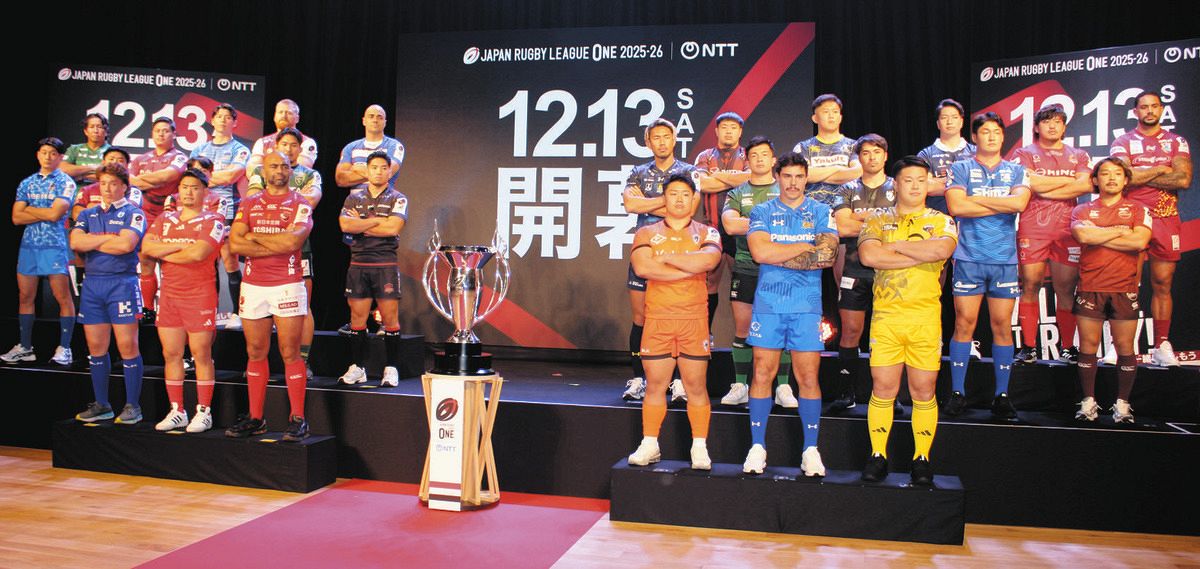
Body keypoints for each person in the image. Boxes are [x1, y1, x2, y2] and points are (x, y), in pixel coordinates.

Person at [858, 156, 958, 485]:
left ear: (928, 184)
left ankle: (921, 459)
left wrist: (896, 248)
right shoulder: (877, 219)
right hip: (887, 318)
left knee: (923, 390)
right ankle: (878, 455)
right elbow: (869, 256)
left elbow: (940, 252)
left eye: (921, 180)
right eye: (908, 180)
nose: (915, 186)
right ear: (895, 184)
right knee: (883, 388)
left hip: (925, 317)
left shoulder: (941, 220)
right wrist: (917, 250)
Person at [742, 152, 838, 477]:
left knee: (808, 377)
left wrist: (779, 253)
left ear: (806, 178)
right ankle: (757, 447)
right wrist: (804, 247)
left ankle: (811, 450)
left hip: (807, 306)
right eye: (787, 176)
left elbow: (827, 256)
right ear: (777, 177)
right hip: (769, 305)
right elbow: (760, 252)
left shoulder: (821, 211)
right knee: (762, 373)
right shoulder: (762, 211)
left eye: (799, 176)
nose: (793, 183)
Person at [625, 174, 722, 470]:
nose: (679, 199)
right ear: (664, 199)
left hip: (694, 319)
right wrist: (689, 266)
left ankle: (699, 447)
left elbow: (708, 262)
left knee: (695, 386)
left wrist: (665, 260)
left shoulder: (707, 232)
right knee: (655, 385)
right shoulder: (646, 232)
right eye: (673, 194)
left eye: (685, 194)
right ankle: (650, 444)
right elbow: (643, 267)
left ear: (693, 200)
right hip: (658, 319)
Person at [944, 112, 1031, 420]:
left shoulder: (1017, 170)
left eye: (997, 132)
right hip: (969, 258)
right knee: (964, 324)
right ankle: (957, 393)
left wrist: (976, 200)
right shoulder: (961, 167)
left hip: (1004, 260)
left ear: (1003, 137)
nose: (991, 136)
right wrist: (1001, 203)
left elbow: (1019, 204)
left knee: (1002, 326)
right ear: (975, 137)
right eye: (985, 132)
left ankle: (1002, 396)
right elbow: (956, 206)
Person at [226, 151, 314, 441]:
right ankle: (256, 418)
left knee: (290, 352)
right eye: (273, 166)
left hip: (287, 283)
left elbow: (293, 241)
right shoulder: (250, 202)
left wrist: (254, 237)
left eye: (284, 166)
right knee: (255, 351)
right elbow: (235, 244)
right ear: (263, 171)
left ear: (291, 171)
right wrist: (275, 242)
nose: (279, 170)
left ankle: (298, 418)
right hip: (253, 285)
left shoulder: (300, 203)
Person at [620, 118, 703, 403]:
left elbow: (689, 208)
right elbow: (631, 204)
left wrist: (650, 201)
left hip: (680, 250)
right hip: (646, 250)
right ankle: (638, 379)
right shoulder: (638, 172)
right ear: (648, 142)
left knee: (676, 316)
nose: (662, 142)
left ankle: (678, 381)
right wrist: (668, 200)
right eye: (656, 137)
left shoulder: (689, 171)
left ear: (674, 139)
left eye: (666, 136)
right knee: (640, 317)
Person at [1109, 91, 1193, 366]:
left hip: (1166, 218)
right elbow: (1125, 178)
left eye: (1154, 106)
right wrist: (1161, 169)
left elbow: (1183, 180)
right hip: (1132, 217)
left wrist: (1141, 174)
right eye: (1143, 107)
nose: (1149, 111)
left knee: (1162, 283)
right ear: (1135, 112)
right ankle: (1120, 346)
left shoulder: (1176, 141)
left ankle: (1161, 345)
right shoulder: (1123, 142)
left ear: (1161, 109)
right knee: (1126, 284)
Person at [142, 169, 225, 432]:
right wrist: (181, 248)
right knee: (171, 354)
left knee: (201, 353)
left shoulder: (214, 220)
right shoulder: (165, 218)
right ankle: (177, 410)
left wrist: (165, 251)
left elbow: (198, 254)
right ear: (178, 191)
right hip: (169, 295)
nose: (189, 192)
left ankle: (204, 411)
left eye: (195, 187)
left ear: (205, 192)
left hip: (200, 294)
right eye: (185, 187)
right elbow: (147, 248)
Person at [1071, 158, 1152, 423]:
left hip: (1123, 287)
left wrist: (1101, 233)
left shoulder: (1138, 209)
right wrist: (1119, 231)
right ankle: (1088, 402)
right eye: (1105, 174)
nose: (1112, 178)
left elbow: (1139, 241)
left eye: (1118, 174)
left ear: (1126, 180)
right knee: (1088, 346)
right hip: (1090, 286)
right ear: (1095, 180)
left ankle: (1123, 404)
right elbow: (1084, 236)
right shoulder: (1082, 209)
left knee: (1125, 347)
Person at [717, 137, 795, 407]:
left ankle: (783, 387)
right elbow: (730, 226)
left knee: (781, 328)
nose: (759, 159)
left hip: (780, 268)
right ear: (747, 161)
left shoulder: (785, 188)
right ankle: (740, 384)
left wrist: (750, 222)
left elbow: (793, 223)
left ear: (773, 160)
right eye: (754, 155)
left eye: (764, 155)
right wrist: (772, 222)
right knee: (743, 328)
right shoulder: (737, 193)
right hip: (745, 267)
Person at [1011, 104, 1092, 365]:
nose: (1052, 126)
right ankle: (1029, 347)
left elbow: (1085, 184)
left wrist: (1044, 187)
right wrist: (1069, 182)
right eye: (1046, 121)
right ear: (1037, 127)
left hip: (1067, 229)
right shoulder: (1024, 153)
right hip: (1032, 228)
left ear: (1064, 126)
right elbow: (1029, 183)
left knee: (1066, 289)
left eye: (1058, 121)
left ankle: (1068, 347)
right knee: (1030, 285)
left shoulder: (1078, 155)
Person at [70, 163, 147, 423]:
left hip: (122, 284)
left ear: (124, 186)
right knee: (96, 347)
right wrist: (109, 238)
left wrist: (94, 240)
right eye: (103, 183)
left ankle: (133, 406)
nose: (107, 188)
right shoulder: (87, 213)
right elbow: (76, 242)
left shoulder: (134, 213)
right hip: (93, 284)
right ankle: (102, 404)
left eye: (113, 183)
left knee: (127, 345)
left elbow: (126, 245)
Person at [828, 134, 897, 415]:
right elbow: (843, 227)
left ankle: (888, 396)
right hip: (854, 269)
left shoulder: (897, 186)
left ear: (885, 156)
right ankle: (846, 392)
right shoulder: (846, 188)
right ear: (859, 158)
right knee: (850, 331)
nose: (871, 157)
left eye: (876, 152)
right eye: (865, 153)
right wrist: (882, 221)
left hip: (889, 270)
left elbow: (902, 224)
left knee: (887, 334)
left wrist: (859, 217)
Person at [247, 128, 323, 377]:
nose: (289, 149)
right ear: (275, 146)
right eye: (284, 144)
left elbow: (310, 201)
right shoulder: (260, 171)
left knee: (303, 306)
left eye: (293, 145)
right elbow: (251, 200)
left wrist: (273, 207)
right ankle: (258, 361)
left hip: (299, 247)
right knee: (262, 308)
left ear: (300, 149)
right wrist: (283, 214)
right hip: (263, 248)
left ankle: (304, 360)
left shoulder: (310, 174)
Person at [337, 151, 408, 387]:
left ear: (390, 171)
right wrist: (378, 220)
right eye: (374, 167)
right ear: (367, 171)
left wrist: (361, 224)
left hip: (385, 263)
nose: (378, 171)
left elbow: (393, 228)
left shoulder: (398, 198)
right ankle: (358, 368)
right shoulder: (353, 198)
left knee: (389, 319)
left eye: (383, 168)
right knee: (357, 318)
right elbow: (345, 225)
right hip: (358, 263)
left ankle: (391, 368)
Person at [4, 138, 78, 366]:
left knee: (62, 297)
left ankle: (65, 348)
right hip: (29, 246)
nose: (47, 156)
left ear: (60, 157)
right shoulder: (27, 183)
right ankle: (25, 347)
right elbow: (16, 217)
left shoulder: (66, 182)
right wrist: (44, 211)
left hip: (54, 246)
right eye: (44, 152)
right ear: (38, 155)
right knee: (25, 296)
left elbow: (56, 215)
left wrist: (31, 210)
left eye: (53, 153)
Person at [190, 104, 250, 326]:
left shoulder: (240, 149)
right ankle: (210, 311)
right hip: (200, 211)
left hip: (228, 210)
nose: (223, 120)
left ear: (235, 123)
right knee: (206, 262)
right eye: (219, 116)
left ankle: (237, 313)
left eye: (228, 117)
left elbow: (231, 176)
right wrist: (212, 178)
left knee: (230, 261)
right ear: (212, 120)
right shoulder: (199, 149)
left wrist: (204, 177)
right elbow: (190, 178)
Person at [694, 111, 750, 327]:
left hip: (740, 230)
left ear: (740, 131)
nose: (728, 131)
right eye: (724, 127)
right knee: (708, 284)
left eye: (733, 127)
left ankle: (744, 337)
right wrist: (734, 179)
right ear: (716, 131)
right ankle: (705, 334)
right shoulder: (705, 156)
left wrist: (716, 175)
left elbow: (751, 179)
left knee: (743, 283)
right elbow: (703, 184)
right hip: (712, 229)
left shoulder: (748, 155)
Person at [128, 117, 187, 321]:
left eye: (166, 130)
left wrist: (141, 182)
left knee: (169, 262)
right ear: (152, 134)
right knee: (146, 259)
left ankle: (171, 309)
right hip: (145, 213)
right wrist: (149, 182)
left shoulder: (179, 157)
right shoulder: (140, 159)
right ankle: (148, 309)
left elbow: (167, 177)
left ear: (174, 134)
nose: (161, 134)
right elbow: (129, 182)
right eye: (157, 131)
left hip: (170, 214)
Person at [792, 94, 861, 207]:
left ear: (840, 117)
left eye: (835, 112)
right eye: (826, 112)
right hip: (812, 210)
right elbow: (803, 175)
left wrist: (817, 175)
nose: (831, 116)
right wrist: (838, 168)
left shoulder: (854, 146)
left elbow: (857, 173)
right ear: (815, 118)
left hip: (847, 209)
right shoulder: (803, 147)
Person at [918, 99, 976, 215]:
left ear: (961, 122)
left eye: (954, 117)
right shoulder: (926, 154)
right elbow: (926, 186)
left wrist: (939, 181)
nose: (949, 122)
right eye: (944, 118)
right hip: (937, 217)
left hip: (971, 217)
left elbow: (982, 186)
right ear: (938, 124)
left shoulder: (975, 152)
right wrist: (964, 183)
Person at [335, 104, 406, 191]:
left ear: (385, 123)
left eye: (380, 117)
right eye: (371, 116)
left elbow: (387, 174)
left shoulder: (394, 146)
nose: (375, 120)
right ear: (364, 121)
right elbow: (341, 179)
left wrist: (356, 168)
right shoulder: (350, 148)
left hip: (383, 198)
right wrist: (376, 173)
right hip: (355, 199)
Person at [248, 99, 318, 170]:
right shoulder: (262, 142)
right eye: (280, 112)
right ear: (274, 117)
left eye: (289, 113)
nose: (284, 116)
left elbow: (301, 170)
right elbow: (252, 169)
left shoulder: (307, 142)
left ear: (297, 118)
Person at [60, 113, 111, 184]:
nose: (95, 131)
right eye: (92, 127)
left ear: (106, 131)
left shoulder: (112, 151)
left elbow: (111, 177)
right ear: (86, 131)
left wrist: (81, 175)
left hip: (101, 190)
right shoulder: (74, 149)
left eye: (99, 127)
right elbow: (63, 170)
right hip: (77, 190)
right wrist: (94, 167)